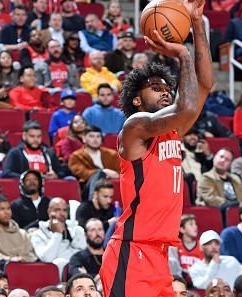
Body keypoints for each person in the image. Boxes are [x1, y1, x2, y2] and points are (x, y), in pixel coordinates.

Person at [100, 0, 213, 295]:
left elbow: (205, 85)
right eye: (156, 88)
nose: (165, 92)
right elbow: (187, 104)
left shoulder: (173, 130)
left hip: (160, 254)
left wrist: (196, 24)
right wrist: (182, 54)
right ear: (137, 100)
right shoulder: (135, 127)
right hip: (131, 252)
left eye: (167, 88)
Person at [31, 197, 86, 273]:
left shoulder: (76, 229)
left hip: (74, 270)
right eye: (57, 210)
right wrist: (58, 234)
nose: (62, 213)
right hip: (51, 274)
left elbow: (83, 254)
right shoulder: (37, 234)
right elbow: (47, 258)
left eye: (65, 210)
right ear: (49, 211)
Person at [168, 214, 203, 281]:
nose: (195, 227)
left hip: (197, 280)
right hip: (180, 280)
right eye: (191, 224)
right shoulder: (175, 246)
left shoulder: (201, 246)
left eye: (195, 224)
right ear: (182, 229)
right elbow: (173, 267)